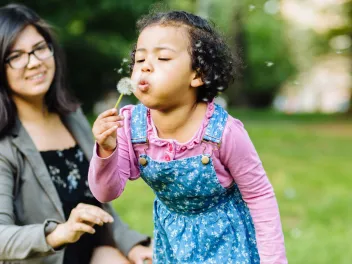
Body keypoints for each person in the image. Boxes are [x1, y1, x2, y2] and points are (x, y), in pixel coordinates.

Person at [88, 10, 287, 263]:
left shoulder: (222, 132)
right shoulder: (130, 126)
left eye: (162, 57)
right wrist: (106, 149)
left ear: (198, 74)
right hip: (172, 243)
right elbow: (106, 193)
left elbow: (259, 196)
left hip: (228, 243)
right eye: (139, 60)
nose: (146, 66)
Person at [0, 3, 152, 264]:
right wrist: (59, 232)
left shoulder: (73, 117)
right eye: (16, 56)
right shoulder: (5, 145)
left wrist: (133, 246)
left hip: (94, 253)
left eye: (39, 48)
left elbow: (100, 207)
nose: (34, 62)